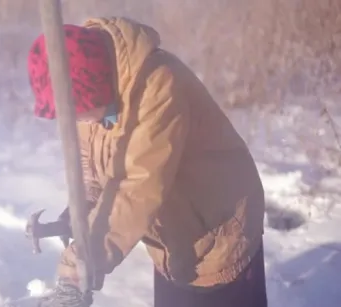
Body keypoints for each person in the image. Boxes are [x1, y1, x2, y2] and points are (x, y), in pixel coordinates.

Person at [26, 17, 268, 307]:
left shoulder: (159, 87)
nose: (78, 120)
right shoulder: (91, 94)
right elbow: (94, 173)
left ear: (96, 87)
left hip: (217, 232)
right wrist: (82, 216)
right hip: (171, 237)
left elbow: (138, 188)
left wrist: (76, 272)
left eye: (80, 111)